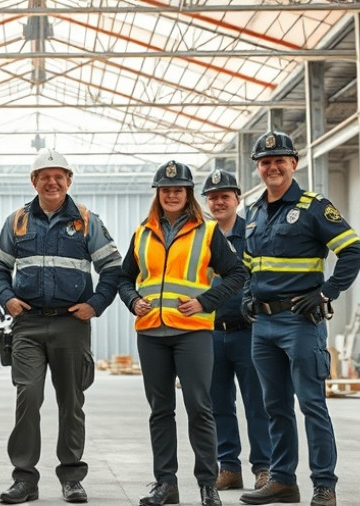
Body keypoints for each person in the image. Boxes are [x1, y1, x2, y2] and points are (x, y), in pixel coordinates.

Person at [0, 148, 123, 505]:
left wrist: (96, 304)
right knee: (28, 397)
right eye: (45, 176)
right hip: (28, 324)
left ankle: (72, 477)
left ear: (69, 180)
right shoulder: (17, 221)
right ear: (34, 181)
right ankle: (24, 480)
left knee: (71, 401)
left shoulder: (87, 221)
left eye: (58, 176)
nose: (52, 182)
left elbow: (113, 268)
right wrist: (7, 298)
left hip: (71, 324)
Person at [238, 131, 360, 506]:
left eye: (280, 160)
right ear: (258, 168)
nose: (272, 167)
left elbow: (353, 251)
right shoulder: (253, 213)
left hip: (300, 322)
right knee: (275, 407)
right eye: (265, 162)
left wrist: (326, 292)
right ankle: (282, 482)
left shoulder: (314, 207)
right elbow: (248, 265)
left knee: (312, 405)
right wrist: (247, 296)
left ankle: (325, 485)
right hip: (263, 326)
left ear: (294, 163)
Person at [118, 161, 247, 506]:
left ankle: (207, 485)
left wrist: (205, 301)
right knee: (160, 411)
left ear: (188, 194)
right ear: (158, 194)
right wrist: (132, 300)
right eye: (166, 190)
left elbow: (237, 273)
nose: (172, 195)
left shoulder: (208, 231)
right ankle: (166, 485)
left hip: (192, 333)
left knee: (199, 407)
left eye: (178, 190)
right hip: (151, 334)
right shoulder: (142, 233)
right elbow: (123, 277)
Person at [202, 170, 272, 492]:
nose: (219, 202)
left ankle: (264, 468)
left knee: (257, 404)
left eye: (225, 196)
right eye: (213, 197)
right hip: (211, 333)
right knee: (218, 405)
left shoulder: (254, 233)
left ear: (237, 199)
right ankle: (228, 467)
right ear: (207, 202)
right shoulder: (200, 238)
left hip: (249, 332)